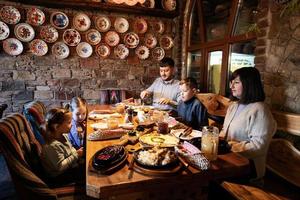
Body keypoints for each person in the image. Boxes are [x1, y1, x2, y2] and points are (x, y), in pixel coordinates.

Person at [219, 67, 277, 181]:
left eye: (236, 82)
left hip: (248, 167)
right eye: (231, 82)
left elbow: (259, 146)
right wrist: (216, 140)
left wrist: (229, 146)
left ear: (249, 84)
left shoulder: (260, 109)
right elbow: (225, 132)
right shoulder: (233, 106)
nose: (231, 86)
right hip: (229, 159)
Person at [40, 108, 84, 179]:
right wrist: (77, 154)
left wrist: (78, 154)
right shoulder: (51, 146)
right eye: (69, 122)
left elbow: (70, 151)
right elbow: (60, 167)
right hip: (60, 177)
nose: (72, 124)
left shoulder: (64, 135)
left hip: (71, 168)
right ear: (57, 126)